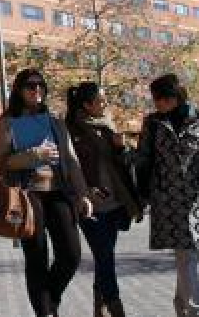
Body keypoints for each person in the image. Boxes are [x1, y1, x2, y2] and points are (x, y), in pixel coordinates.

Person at [135, 74, 199, 317]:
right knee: (186, 254)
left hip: (194, 200)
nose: (156, 103)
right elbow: (143, 161)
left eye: (159, 98)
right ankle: (195, 311)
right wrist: (141, 196)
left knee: (188, 253)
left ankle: (184, 307)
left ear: (173, 97)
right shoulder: (152, 123)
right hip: (166, 200)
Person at [0, 69, 92, 317]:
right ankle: (45, 311)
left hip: (58, 192)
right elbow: (2, 162)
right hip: (28, 195)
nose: (36, 90)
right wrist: (34, 156)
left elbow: (71, 160)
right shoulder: (8, 122)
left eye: (40, 85)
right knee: (37, 258)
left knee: (71, 255)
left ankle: (49, 300)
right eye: (30, 86)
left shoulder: (55, 121)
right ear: (19, 90)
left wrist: (83, 195)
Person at [65, 83, 140, 317]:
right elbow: (69, 167)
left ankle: (100, 307)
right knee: (104, 254)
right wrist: (83, 191)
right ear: (86, 105)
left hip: (115, 202)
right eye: (100, 101)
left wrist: (120, 148)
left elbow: (124, 163)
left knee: (104, 256)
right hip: (90, 203)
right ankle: (114, 303)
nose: (105, 104)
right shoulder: (71, 130)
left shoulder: (107, 125)